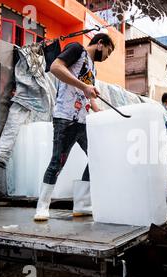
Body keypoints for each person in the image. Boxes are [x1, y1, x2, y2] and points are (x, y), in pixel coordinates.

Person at [34, 33, 115, 221]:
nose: (107, 57)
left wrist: (99, 110)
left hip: (84, 121)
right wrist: (84, 86)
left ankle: (82, 205)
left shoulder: (93, 68)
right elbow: (55, 67)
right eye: (109, 52)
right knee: (57, 162)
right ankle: (42, 207)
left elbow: (87, 94)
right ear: (100, 44)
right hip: (66, 118)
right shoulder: (77, 49)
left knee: (97, 158)